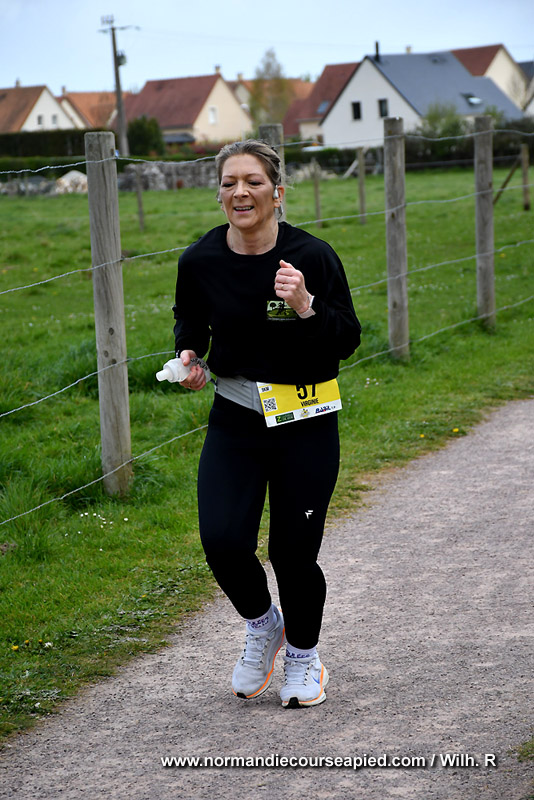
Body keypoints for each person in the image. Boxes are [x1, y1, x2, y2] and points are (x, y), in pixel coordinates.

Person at [172, 139, 361, 708]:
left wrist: (305, 305)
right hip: (236, 417)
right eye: (229, 183)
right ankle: (263, 625)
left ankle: (304, 655)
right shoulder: (200, 260)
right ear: (219, 195)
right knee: (223, 540)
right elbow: (190, 322)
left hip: (306, 418)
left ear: (276, 193)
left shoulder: (313, 256)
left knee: (292, 552)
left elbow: (347, 338)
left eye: (253, 181)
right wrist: (188, 357)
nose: (240, 192)